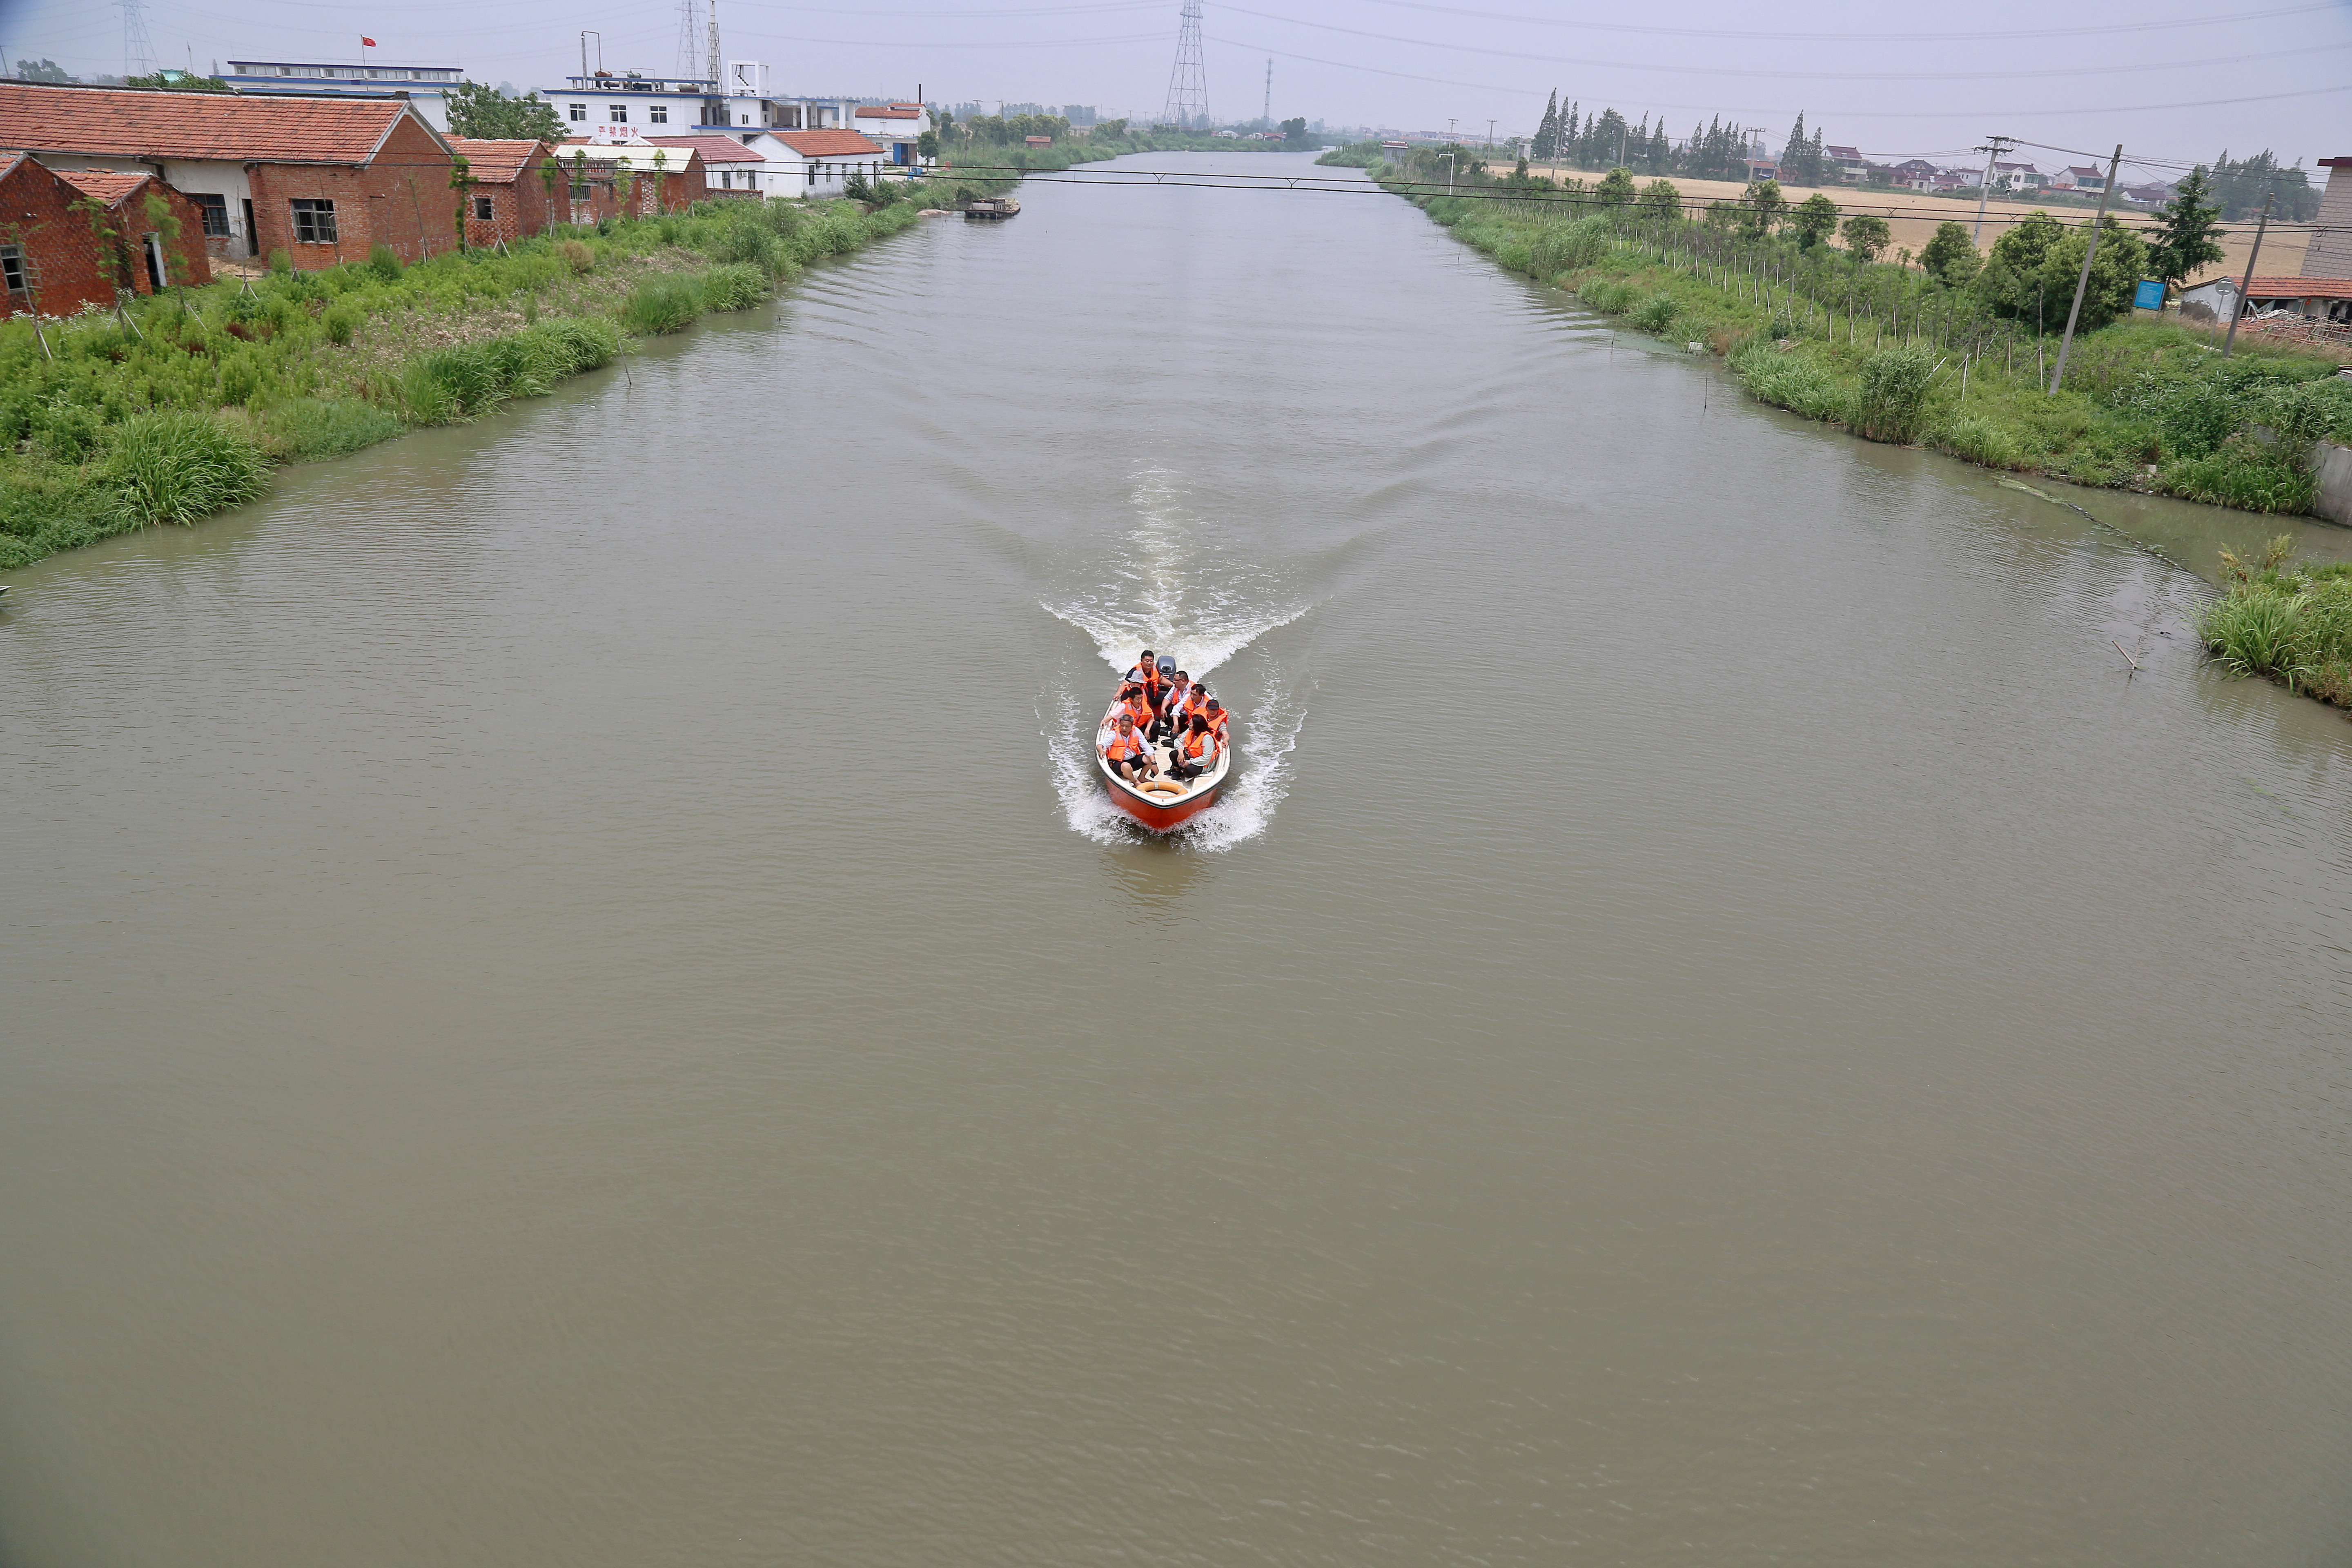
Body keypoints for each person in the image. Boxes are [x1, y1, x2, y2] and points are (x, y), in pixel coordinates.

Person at [1102, 713, 1156, 782]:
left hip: (1132, 760)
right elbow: (1101, 744)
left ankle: (1142, 778)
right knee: (1126, 766)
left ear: (1131, 726)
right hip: (1118, 763)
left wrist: (1154, 763)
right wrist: (1101, 750)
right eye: (1122, 726)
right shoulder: (1114, 734)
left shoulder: (1136, 731)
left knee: (1149, 758)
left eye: (1127, 726)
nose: (1124, 729)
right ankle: (1135, 781)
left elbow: (1147, 747)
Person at [1167, 712, 1219, 782]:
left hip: (1201, 763)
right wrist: (1181, 752)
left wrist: (1189, 762)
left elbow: (1206, 758)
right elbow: (1178, 741)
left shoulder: (1207, 738)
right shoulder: (1190, 731)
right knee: (1173, 754)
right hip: (1189, 756)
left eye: (1191, 724)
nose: (1188, 725)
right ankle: (1177, 770)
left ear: (1196, 726)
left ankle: (1183, 772)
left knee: (1189, 771)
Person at [1153, 669, 1194, 740]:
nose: (1173, 682)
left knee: (1179, 715)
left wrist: (1176, 724)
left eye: (1176, 680)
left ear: (1183, 681)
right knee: (1168, 708)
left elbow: (1178, 707)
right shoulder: (1175, 687)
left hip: (1188, 716)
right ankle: (1172, 730)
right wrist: (1163, 709)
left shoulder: (1192, 691)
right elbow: (1168, 698)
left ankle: (1175, 733)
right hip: (1178, 712)